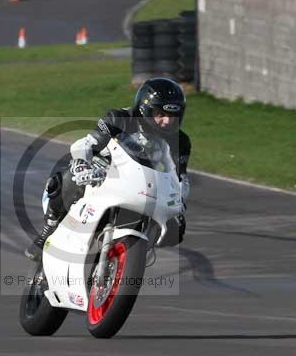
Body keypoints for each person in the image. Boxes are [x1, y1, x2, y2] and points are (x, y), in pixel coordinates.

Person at [25, 77, 192, 261]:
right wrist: (82, 163)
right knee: (68, 176)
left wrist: (179, 204)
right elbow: (87, 143)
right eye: (160, 113)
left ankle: (137, 252)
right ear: (145, 109)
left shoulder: (181, 142)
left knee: (177, 229)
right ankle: (49, 229)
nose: (167, 121)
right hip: (103, 175)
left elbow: (180, 177)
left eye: (173, 116)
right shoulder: (118, 118)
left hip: (143, 187)